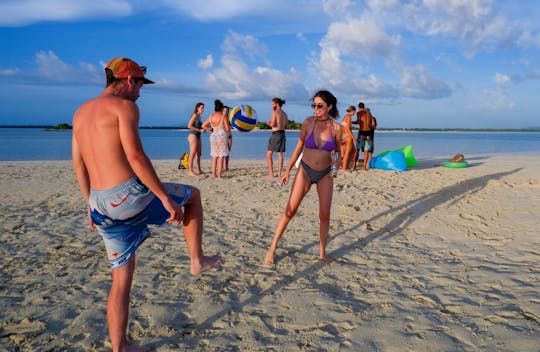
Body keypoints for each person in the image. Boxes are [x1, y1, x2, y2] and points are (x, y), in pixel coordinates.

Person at [71, 57, 221, 352]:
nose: (141, 91)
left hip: (100, 203)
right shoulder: (125, 107)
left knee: (121, 278)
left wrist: (89, 203)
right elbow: (136, 157)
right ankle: (196, 261)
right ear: (129, 81)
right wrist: (165, 199)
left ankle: (120, 347)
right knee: (193, 197)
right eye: (140, 84)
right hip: (127, 196)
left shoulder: (80, 113)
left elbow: (78, 163)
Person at [265, 90, 342, 265]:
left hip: (325, 174)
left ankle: (322, 253)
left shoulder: (337, 128)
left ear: (329, 106)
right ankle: (272, 248)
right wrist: (288, 170)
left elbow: (337, 152)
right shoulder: (308, 123)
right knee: (290, 210)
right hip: (305, 170)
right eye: (314, 105)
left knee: (324, 214)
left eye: (320, 105)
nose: (316, 109)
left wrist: (334, 170)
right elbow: (299, 147)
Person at [202, 99, 230, 178]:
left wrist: (211, 129)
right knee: (221, 156)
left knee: (214, 156)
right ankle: (219, 174)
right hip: (221, 137)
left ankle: (213, 174)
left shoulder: (211, 116)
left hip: (213, 136)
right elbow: (227, 129)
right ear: (221, 109)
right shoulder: (223, 116)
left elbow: (203, 125)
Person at [266, 97, 288, 178]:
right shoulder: (285, 114)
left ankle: (271, 174)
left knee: (268, 154)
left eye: (272, 104)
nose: (272, 105)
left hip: (276, 134)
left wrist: (268, 123)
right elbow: (286, 126)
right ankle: (279, 173)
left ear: (276, 104)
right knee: (280, 154)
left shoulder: (275, 112)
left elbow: (273, 124)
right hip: (282, 133)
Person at [353, 102, 375, 170]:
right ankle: (364, 167)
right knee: (366, 150)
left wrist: (352, 122)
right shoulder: (369, 113)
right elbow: (373, 123)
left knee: (357, 149)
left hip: (362, 132)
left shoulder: (359, 113)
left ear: (359, 107)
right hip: (368, 133)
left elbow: (358, 121)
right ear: (364, 106)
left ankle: (354, 165)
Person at [186, 102, 205, 176]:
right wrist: (200, 130)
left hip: (198, 136)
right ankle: (190, 171)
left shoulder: (199, 117)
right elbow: (189, 126)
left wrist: (204, 129)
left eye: (203, 108)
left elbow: (199, 126)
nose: (203, 109)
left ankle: (199, 170)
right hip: (193, 135)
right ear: (197, 108)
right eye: (202, 108)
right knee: (192, 154)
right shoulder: (195, 115)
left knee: (199, 154)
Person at [340, 105, 357, 171]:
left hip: (343, 135)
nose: (354, 113)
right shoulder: (349, 117)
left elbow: (343, 127)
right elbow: (347, 129)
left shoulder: (345, 117)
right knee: (348, 152)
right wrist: (353, 138)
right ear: (352, 111)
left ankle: (345, 165)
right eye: (354, 112)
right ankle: (344, 168)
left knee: (353, 151)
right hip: (347, 135)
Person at [223, 105, 233, 172]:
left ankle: (226, 167)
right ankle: (221, 167)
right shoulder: (221, 118)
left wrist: (233, 109)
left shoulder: (229, 118)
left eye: (227, 111)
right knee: (221, 153)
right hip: (223, 137)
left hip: (229, 137)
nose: (225, 112)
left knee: (227, 153)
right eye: (224, 110)